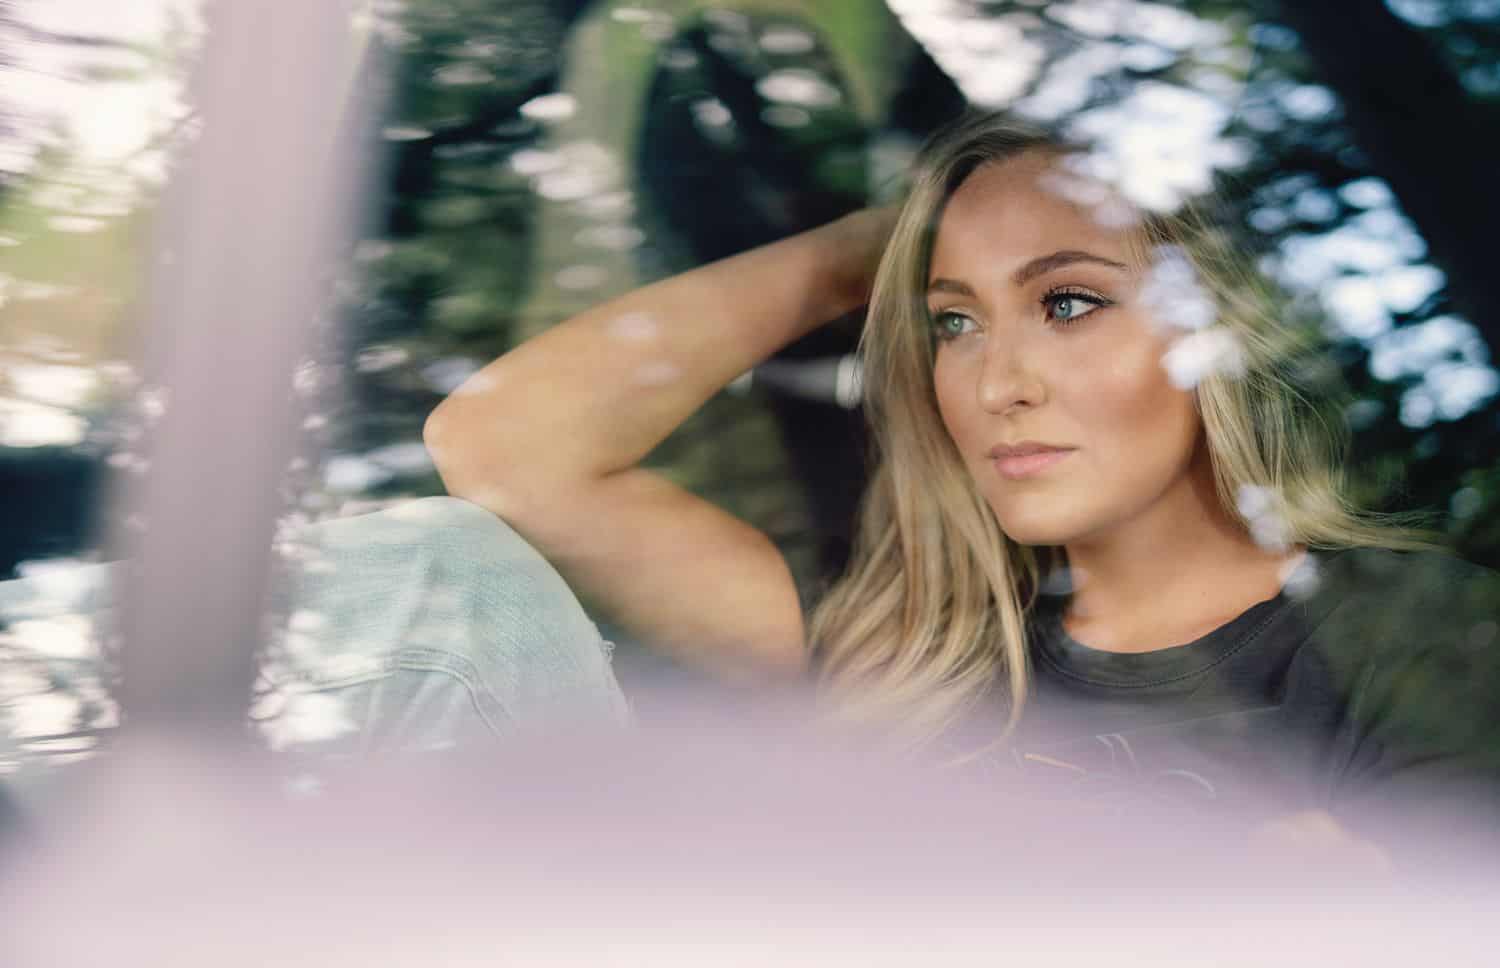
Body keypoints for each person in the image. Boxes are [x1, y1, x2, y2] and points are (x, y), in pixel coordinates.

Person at [424, 109, 1500, 860]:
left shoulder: (1416, 628)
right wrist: (870, 253)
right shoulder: (901, 654)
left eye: (1068, 302)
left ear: (1212, 336)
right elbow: (503, 447)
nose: (998, 384)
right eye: (955, 321)